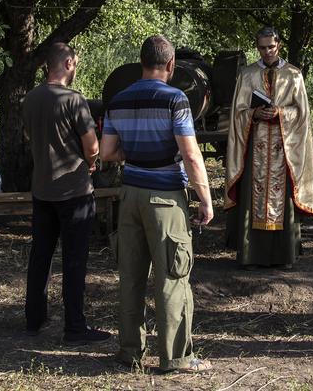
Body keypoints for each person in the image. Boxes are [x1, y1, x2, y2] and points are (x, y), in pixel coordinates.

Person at [100, 35, 214, 373]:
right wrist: (205, 199)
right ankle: (176, 357)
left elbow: (106, 153)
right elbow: (192, 155)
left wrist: (133, 154)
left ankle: (129, 351)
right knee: (172, 276)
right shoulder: (176, 99)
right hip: (165, 199)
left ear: (141, 62)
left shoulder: (117, 100)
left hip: (129, 195)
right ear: (171, 64)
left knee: (131, 277)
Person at [21, 42, 110, 345]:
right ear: (69, 63)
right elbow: (93, 146)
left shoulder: (30, 99)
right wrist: (92, 161)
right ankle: (74, 327)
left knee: (40, 255)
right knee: (74, 260)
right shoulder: (74, 100)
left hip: (42, 190)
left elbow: (32, 138)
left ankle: (34, 318)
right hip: (73, 192)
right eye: (77, 62)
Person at [224, 26, 313, 269]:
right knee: (252, 197)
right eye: (262, 48)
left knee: (282, 199)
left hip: (284, 150)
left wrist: (280, 112)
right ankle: (250, 255)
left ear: (279, 45)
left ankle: (284, 255)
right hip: (255, 147)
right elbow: (237, 114)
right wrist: (254, 113)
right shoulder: (247, 74)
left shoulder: (294, 75)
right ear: (257, 47)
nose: (267, 52)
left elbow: (302, 114)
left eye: (271, 47)